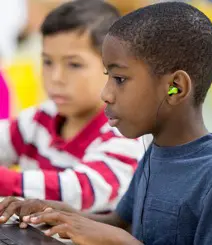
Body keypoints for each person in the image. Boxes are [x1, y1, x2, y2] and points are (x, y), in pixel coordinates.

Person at [1, 2, 212, 244]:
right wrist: (56, 212)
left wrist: (120, 242)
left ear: (175, 88)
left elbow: (120, 236)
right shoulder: (155, 153)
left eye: (119, 79)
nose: (105, 94)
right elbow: (120, 221)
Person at [0, 0, 144, 212]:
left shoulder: (125, 134)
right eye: (48, 62)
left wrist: (9, 181)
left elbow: (81, 189)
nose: (56, 78)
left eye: (74, 65)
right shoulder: (40, 118)